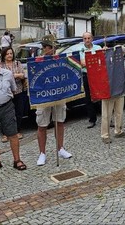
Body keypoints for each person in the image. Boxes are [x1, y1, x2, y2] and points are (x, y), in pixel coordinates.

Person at [35, 37, 73, 166]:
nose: (49, 49)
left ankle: (60, 148)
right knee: (42, 125)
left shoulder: (60, 59)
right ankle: (42, 153)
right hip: (43, 96)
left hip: (58, 94)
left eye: (50, 47)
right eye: (46, 47)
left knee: (60, 122)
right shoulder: (37, 60)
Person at [100, 45, 125, 143]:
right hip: (109, 91)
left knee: (119, 112)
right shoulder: (107, 61)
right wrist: (104, 53)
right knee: (106, 114)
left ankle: (118, 130)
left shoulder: (124, 61)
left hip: (120, 89)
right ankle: (105, 135)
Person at [0, 47, 26, 141]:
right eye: (7, 54)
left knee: (19, 112)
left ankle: (17, 130)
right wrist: (15, 75)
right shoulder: (1, 65)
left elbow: (23, 75)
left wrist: (15, 75)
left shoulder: (17, 63)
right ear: (4, 55)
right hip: (6, 93)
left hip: (18, 91)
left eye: (11, 53)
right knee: (6, 114)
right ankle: (5, 133)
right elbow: (1, 77)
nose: (9, 55)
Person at [80, 32, 102, 129]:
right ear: (83, 39)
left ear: (92, 38)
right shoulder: (80, 50)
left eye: (89, 38)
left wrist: (90, 62)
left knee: (102, 96)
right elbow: (82, 63)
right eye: (85, 38)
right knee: (88, 98)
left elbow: (101, 61)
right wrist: (93, 61)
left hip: (98, 74)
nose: (87, 40)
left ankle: (107, 119)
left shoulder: (98, 48)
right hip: (87, 74)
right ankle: (92, 120)